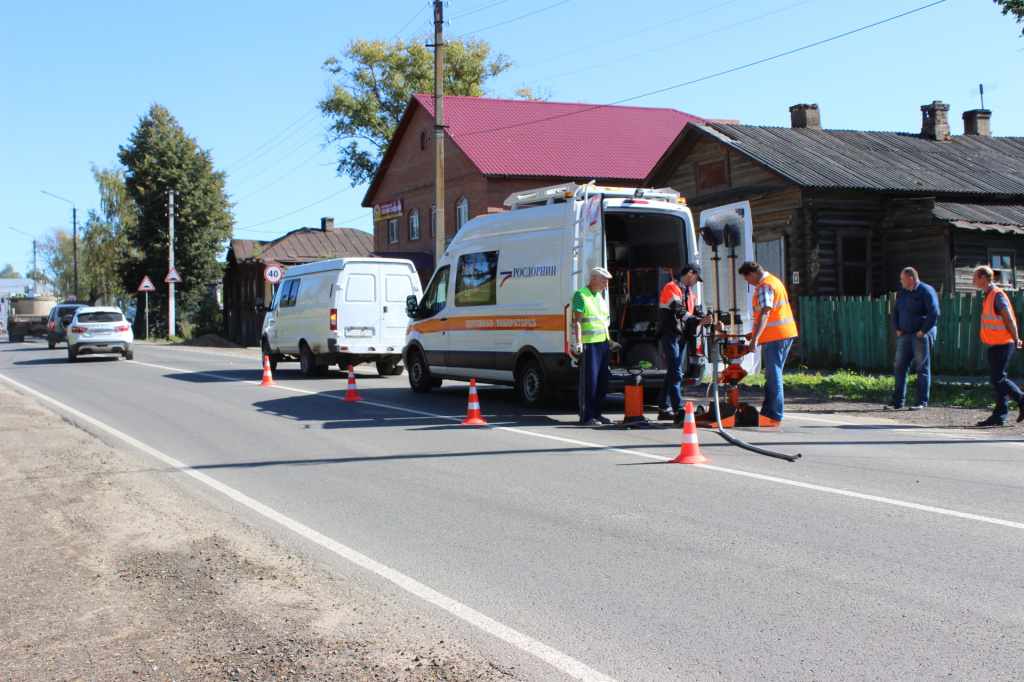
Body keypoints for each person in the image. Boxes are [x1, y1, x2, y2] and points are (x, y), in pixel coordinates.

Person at [738, 261, 798, 424]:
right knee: (773, 374)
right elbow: (770, 315)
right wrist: (755, 333)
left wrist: (755, 339)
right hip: (782, 334)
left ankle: (773, 415)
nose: (747, 283)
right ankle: (768, 412)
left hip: (776, 336)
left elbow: (765, 313)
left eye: (746, 279)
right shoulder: (774, 281)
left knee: (773, 375)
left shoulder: (765, 286)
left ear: (752, 274)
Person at [655, 263, 714, 421]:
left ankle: (663, 408)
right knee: (675, 373)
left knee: (673, 372)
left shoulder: (689, 293)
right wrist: (700, 320)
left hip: (680, 335)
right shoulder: (671, 287)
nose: (696, 281)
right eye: (696, 278)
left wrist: (711, 321)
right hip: (670, 333)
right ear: (690, 273)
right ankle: (678, 411)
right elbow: (678, 310)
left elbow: (697, 312)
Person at [973, 265, 1024, 427]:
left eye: (975, 277)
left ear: (984, 278)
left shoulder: (996, 295)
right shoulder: (988, 295)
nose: (973, 280)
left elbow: (1009, 318)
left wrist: (1016, 338)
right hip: (994, 344)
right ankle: (999, 416)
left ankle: (1022, 399)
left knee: (998, 378)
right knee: (998, 380)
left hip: (1003, 343)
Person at [885, 267, 940, 411]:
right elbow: (896, 311)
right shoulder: (903, 292)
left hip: (920, 335)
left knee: (922, 368)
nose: (900, 281)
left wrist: (923, 331)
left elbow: (934, 313)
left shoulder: (926, 291)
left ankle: (921, 401)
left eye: (902, 279)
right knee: (899, 367)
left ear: (911, 279)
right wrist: (897, 329)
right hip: (905, 335)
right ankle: (897, 400)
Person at [571, 267, 619, 425]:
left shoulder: (600, 296)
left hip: (603, 344)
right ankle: (586, 415)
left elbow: (602, 322)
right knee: (589, 381)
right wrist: (578, 342)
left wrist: (610, 342)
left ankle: (597, 413)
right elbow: (577, 321)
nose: (606, 284)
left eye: (607, 281)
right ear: (593, 279)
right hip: (589, 344)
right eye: (604, 281)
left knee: (602, 380)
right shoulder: (581, 295)